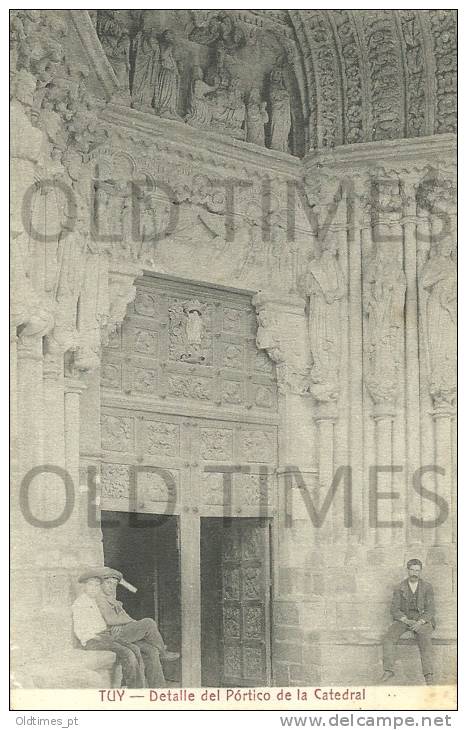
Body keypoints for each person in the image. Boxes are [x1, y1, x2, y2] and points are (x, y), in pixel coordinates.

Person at [95, 567, 179, 688]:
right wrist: (128, 622)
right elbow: (110, 620)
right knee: (149, 622)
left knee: (152, 651)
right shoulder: (100, 599)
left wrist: (129, 622)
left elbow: (124, 615)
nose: (111, 587)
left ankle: (159, 689)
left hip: (123, 632)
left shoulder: (111, 599)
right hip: (113, 636)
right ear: (101, 584)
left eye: (114, 584)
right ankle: (163, 652)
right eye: (108, 583)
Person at [72, 569, 145, 688]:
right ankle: (133, 689)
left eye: (96, 586)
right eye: (90, 585)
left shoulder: (95, 601)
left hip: (104, 636)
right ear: (84, 586)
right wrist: (99, 637)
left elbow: (104, 621)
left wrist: (112, 630)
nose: (94, 588)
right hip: (92, 641)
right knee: (127, 653)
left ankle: (131, 686)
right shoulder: (80, 604)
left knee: (135, 648)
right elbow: (80, 631)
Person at [380, 559, 436, 685]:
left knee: (425, 639)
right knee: (389, 638)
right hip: (405, 619)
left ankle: (428, 675)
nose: (415, 573)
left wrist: (420, 622)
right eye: (412, 570)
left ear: (420, 571)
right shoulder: (400, 587)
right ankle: (388, 670)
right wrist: (405, 620)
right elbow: (394, 609)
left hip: (422, 619)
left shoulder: (427, 587)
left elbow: (431, 610)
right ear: (407, 570)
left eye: (417, 570)